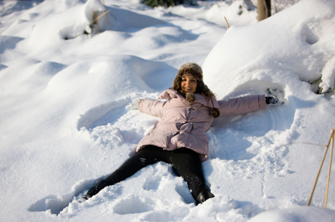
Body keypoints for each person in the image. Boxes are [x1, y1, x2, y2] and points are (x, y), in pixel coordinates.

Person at [82, 63, 282, 205]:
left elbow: (237, 105)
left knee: (196, 181)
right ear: (178, 82)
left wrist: (263, 100)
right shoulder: (170, 103)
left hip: (187, 148)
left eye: (192, 80)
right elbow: (152, 105)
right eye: (184, 79)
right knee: (125, 170)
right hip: (156, 145)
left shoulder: (211, 106)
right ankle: (95, 191)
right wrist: (139, 103)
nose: (187, 83)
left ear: (199, 84)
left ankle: (208, 207)